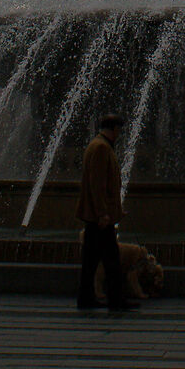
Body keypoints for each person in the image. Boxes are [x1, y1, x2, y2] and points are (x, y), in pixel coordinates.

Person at [76, 112, 134, 314]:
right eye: (120, 130)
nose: (120, 134)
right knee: (111, 258)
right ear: (114, 129)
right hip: (99, 218)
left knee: (91, 260)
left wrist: (115, 209)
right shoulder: (101, 148)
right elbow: (98, 184)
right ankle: (116, 300)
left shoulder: (97, 145)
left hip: (97, 215)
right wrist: (103, 213)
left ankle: (86, 298)